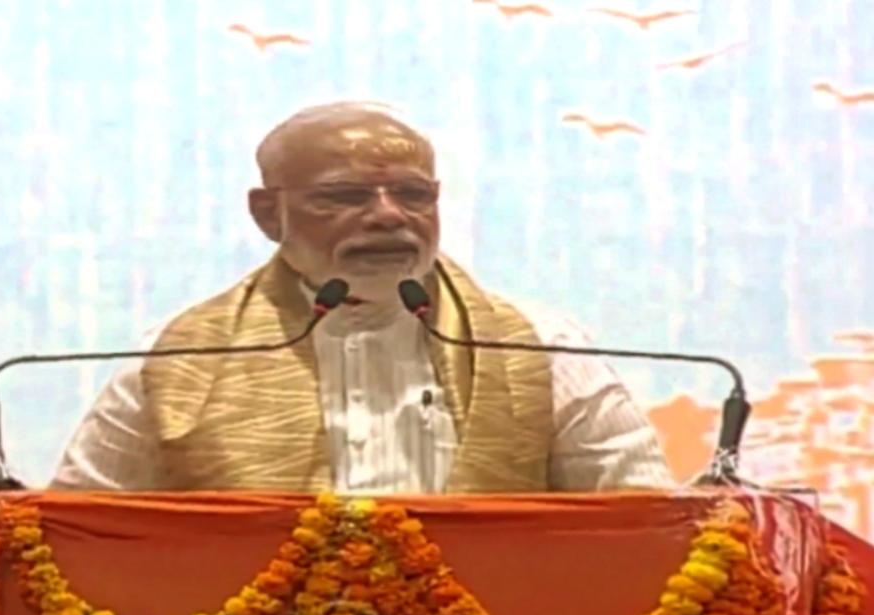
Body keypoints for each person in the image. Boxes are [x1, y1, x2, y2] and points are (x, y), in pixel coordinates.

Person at [50, 101, 673, 493]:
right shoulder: (184, 358)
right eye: (344, 196)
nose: (388, 216)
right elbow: (79, 525)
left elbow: (643, 513)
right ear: (268, 214)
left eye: (413, 195)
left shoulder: (538, 345)